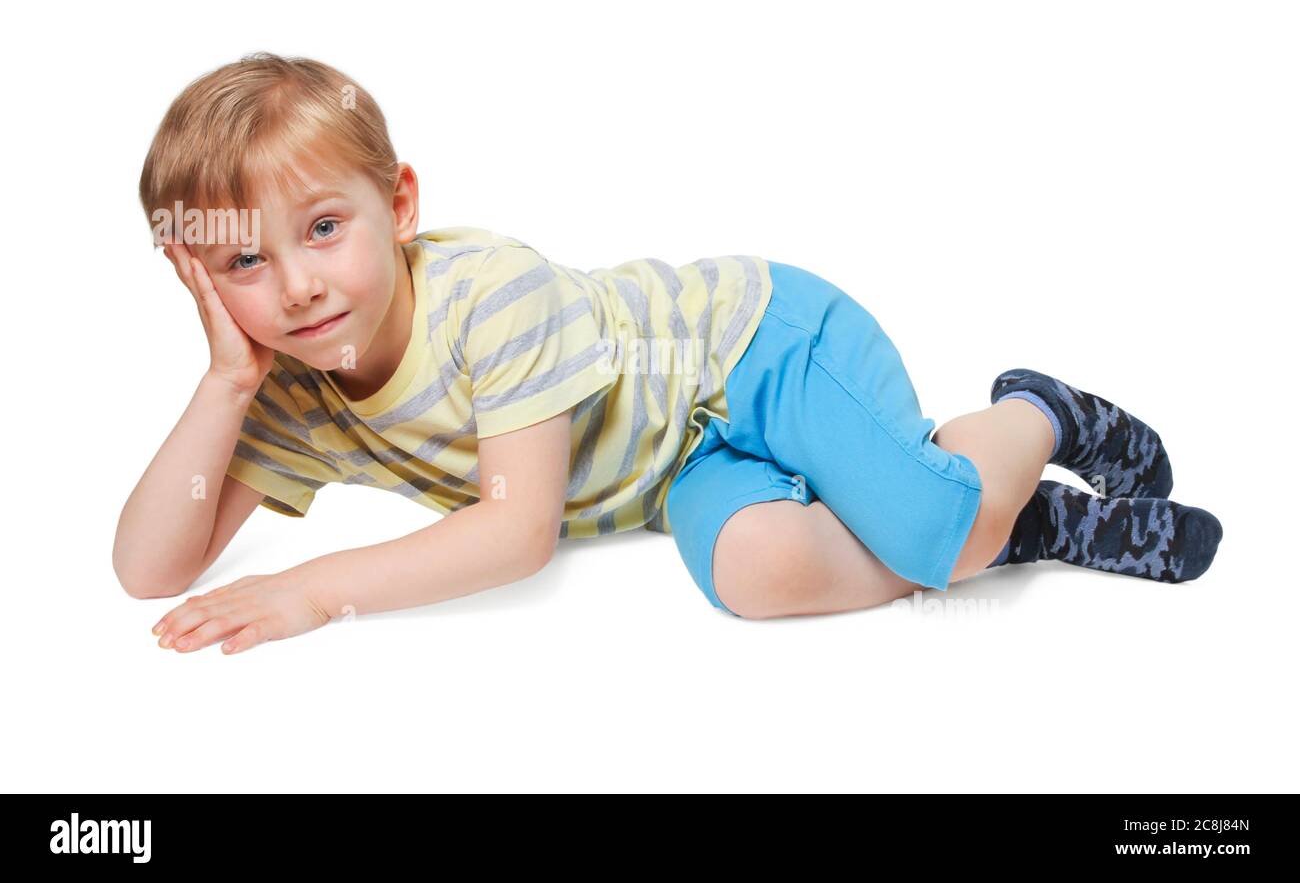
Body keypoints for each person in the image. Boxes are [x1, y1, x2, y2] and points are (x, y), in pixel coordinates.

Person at [118, 53, 1223, 653]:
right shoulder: (290, 390)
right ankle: (1021, 519)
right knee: (761, 576)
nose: (299, 283)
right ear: (198, 273)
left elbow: (516, 530)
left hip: (752, 346)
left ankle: (1042, 412)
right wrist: (224, 379)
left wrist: (316, 590)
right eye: (245, 260)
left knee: (935, 527)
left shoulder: (484, 296)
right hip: (680, 462)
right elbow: (149, 567)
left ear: (398, 204)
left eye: (322, 228)